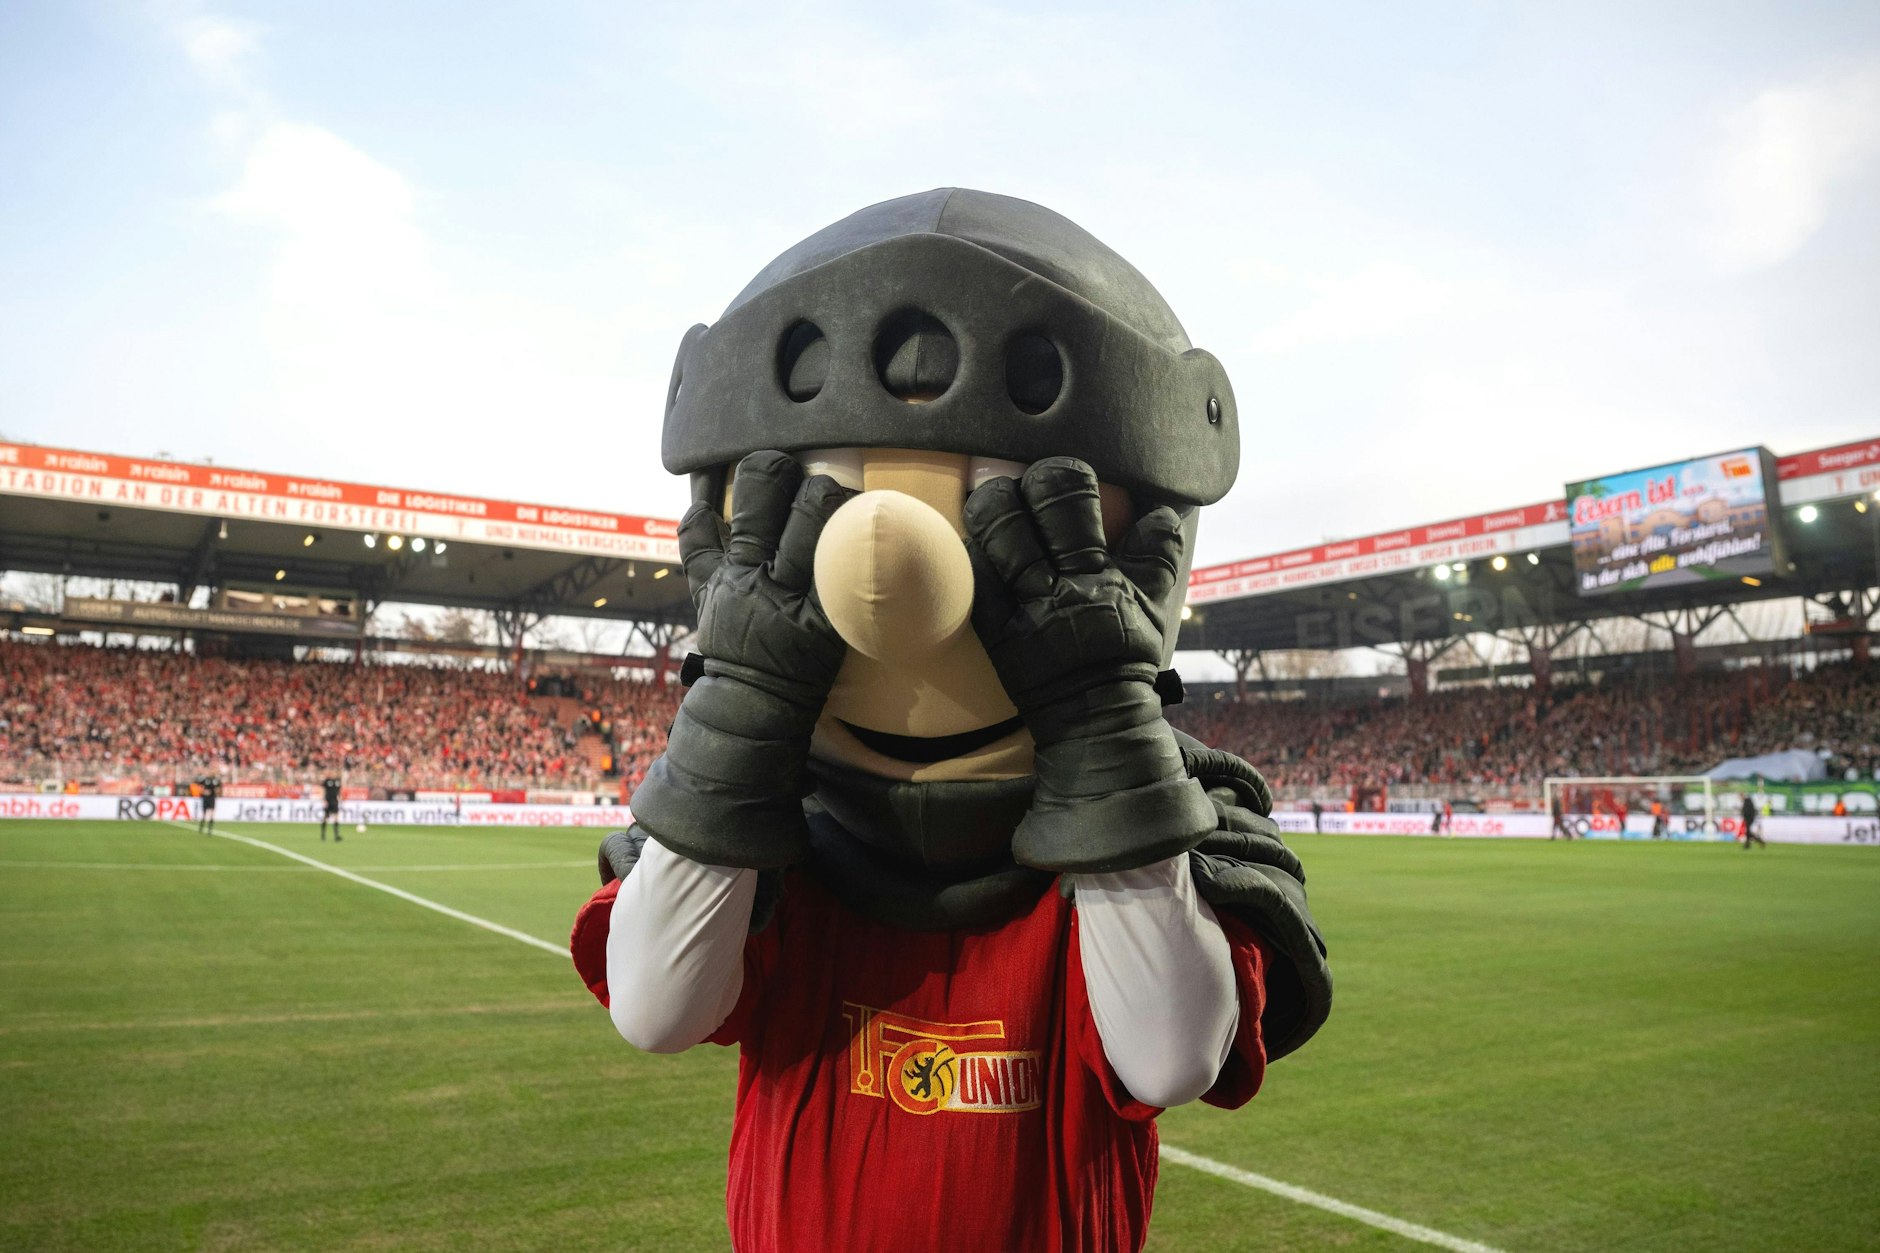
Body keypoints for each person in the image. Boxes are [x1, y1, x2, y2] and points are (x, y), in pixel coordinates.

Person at [570, 190, 1330, 1253]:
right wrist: (744, 699)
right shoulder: (772, 829)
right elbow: (656, 1005)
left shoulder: (1163, 830)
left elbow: (1167, 1054)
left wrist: (1094, 717)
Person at [319, 775, 344, 842]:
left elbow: (339, 791)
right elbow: (323, 790)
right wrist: (324, 800)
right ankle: (323, 834)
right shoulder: (327, 781)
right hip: (328, 800)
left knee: (336, 817)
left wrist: (340, 799)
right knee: (326, 817)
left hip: (335, 801)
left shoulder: (338, 781)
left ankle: (336, 835)